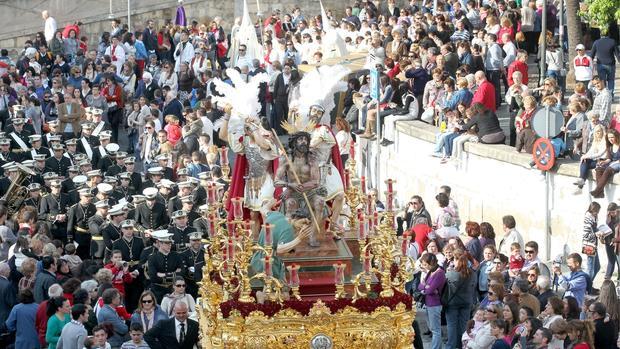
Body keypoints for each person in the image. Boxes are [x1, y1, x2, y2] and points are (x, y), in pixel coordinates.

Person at [446, 255, 475, 349]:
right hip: (467, 302)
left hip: (453, 302)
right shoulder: (472, 273)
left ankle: (451, 346)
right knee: (463, 325)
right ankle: (461, 345)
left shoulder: (451, 273)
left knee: (451, 325)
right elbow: (474, 286)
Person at [418, 253, 446, 349]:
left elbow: (429, 290)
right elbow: (420, 286)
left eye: (426, 264)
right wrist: (426, 287)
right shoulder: (430, 272)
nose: (424, 267)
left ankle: (435, 347)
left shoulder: (439, 273)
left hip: (435, 303)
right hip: (429, 303)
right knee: (432, 328)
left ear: (431, 263)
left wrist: (426, 287)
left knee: (435, 329)